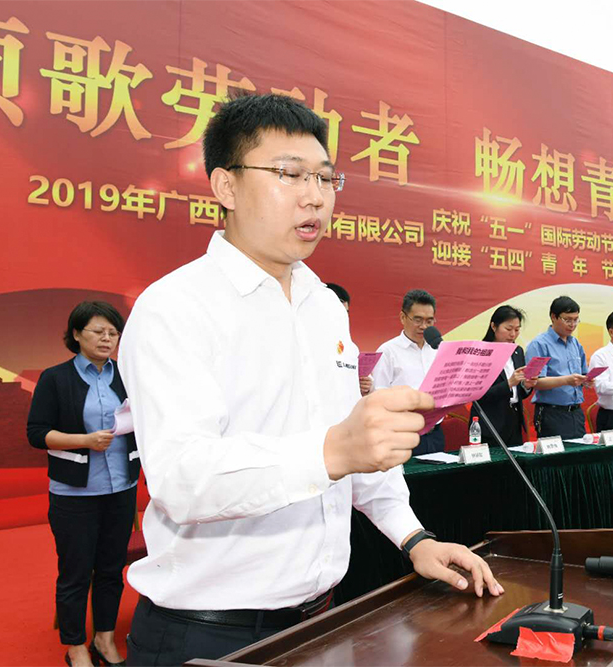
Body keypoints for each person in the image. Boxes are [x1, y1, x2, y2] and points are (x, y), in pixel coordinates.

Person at [117, 93, 500, 666]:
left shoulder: (324, 306)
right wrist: (333, 450)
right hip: (210, 636)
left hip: (323, 620)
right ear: (225, 186)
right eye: (289, 174)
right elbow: (183, 479)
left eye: (325, 177)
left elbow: (357, 453)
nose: (315, 196)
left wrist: (414, 538)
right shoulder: (174, 307)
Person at [26, 301, 140, 667]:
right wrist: (84, 441)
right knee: (75, 573)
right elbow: (36, 433)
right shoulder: (55, 378)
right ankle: (75, 646)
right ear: (76, 334)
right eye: (98, 331)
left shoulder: (128, 376)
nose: (107, 339)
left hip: (121, 489)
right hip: (75, 493)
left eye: (113, 333)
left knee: (110, 569)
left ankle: (104, 639)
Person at [374, 289, 445, 454]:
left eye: (429, 321)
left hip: (435, 433)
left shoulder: (438, 349)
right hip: (403, 435)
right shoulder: (388, 351)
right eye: (418, 320)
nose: (424, 326)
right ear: (403, 317)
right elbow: (378, 396)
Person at [470, 305, 537, 445]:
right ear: (493, 326)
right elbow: (478, 395)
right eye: (508, 329)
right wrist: (509, 384)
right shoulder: (481, 354)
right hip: (490, 424)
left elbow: (518, 394)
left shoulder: (517, 351)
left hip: (514, 422)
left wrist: (526, 386)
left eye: (517, 330)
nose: (513, 334)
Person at [525, 296, 590, 439]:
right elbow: (536, 382)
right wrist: (566, 380)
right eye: (568, 319)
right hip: (552, 414)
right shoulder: (539, 344)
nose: (572, 324)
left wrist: (587, 381)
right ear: (553, 317)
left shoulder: (575, 343)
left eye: (576, 320)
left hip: (576, 413)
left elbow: (584, 374)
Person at [326, 282, 372, 396]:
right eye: (339, 312)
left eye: (346, 312)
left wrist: (364, 386)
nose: (344, 317)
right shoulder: (307, 342)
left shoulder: (351, 347)